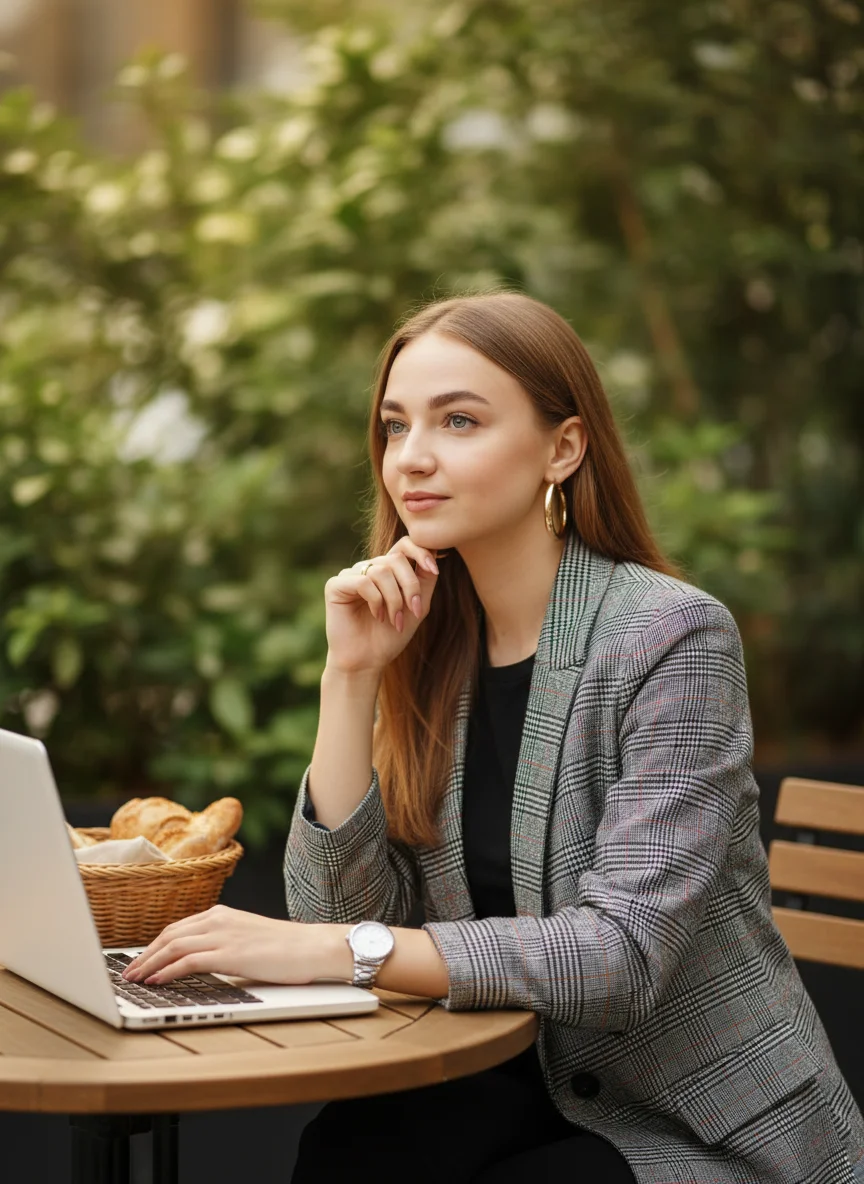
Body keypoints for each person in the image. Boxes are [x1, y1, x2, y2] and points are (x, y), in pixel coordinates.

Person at [122, 293, 864, 1184]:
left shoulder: (672, 637)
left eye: (459, 421)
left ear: (564, 447)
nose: (413, 459)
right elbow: (339, 917)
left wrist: (337, 953)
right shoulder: (429, 640)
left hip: (695, 1124)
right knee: (345, 1157)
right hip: (511, 1078)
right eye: (396, 427)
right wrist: (350, 677)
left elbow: (620, 956)